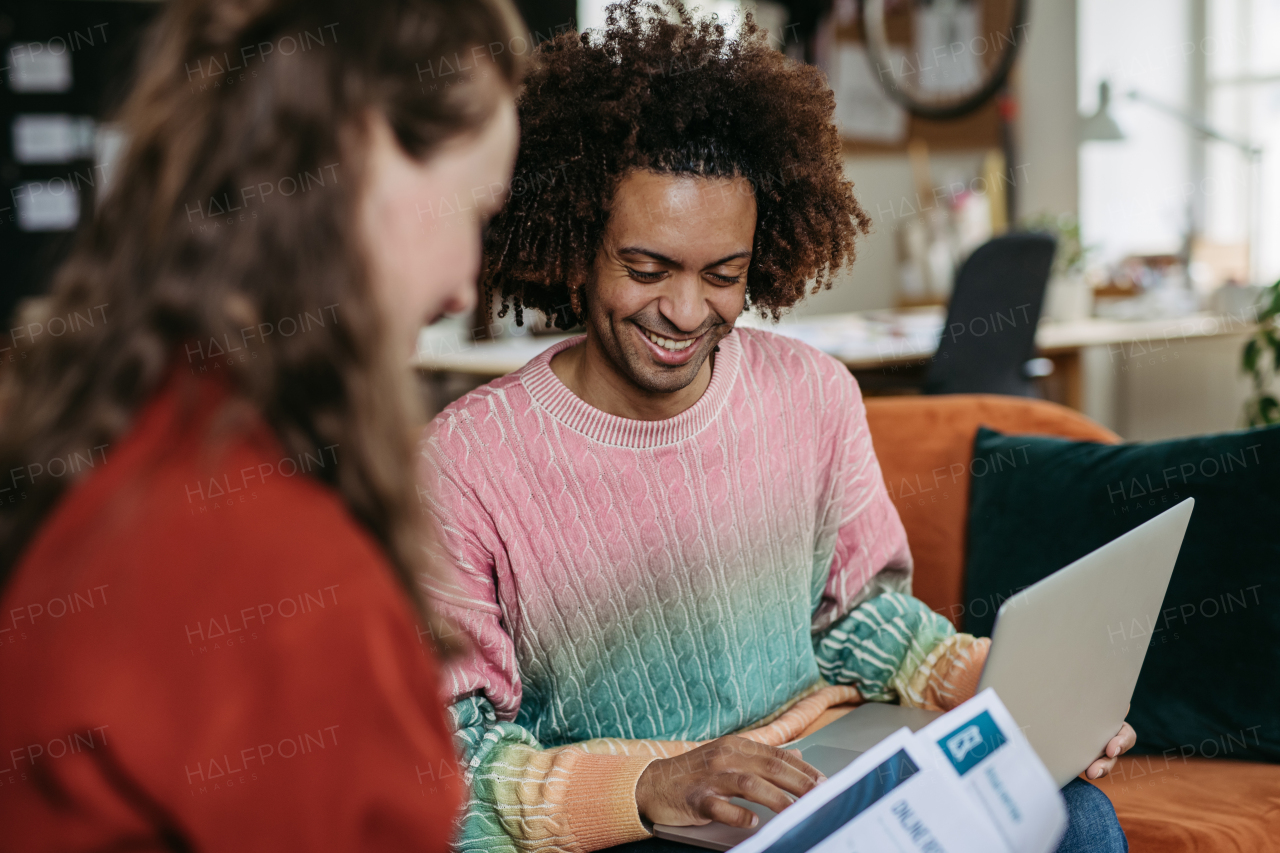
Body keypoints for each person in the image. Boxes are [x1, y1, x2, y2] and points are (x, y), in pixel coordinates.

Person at [419, 3, 1134, 853]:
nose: (686, 311)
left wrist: (991, 684)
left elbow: (855, 619)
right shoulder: (466, 459)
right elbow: (450, 756)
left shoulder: (812, 395)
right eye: (645, 268)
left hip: (813, 778)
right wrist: (649, 787)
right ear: (577, 244)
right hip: (635, 824)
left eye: (723, 274)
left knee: (1076, 815)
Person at [0, 0, 522, 848]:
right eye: (476, 212)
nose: (467, 285)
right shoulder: (281, 573)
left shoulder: (128, 446)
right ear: (365, 154)